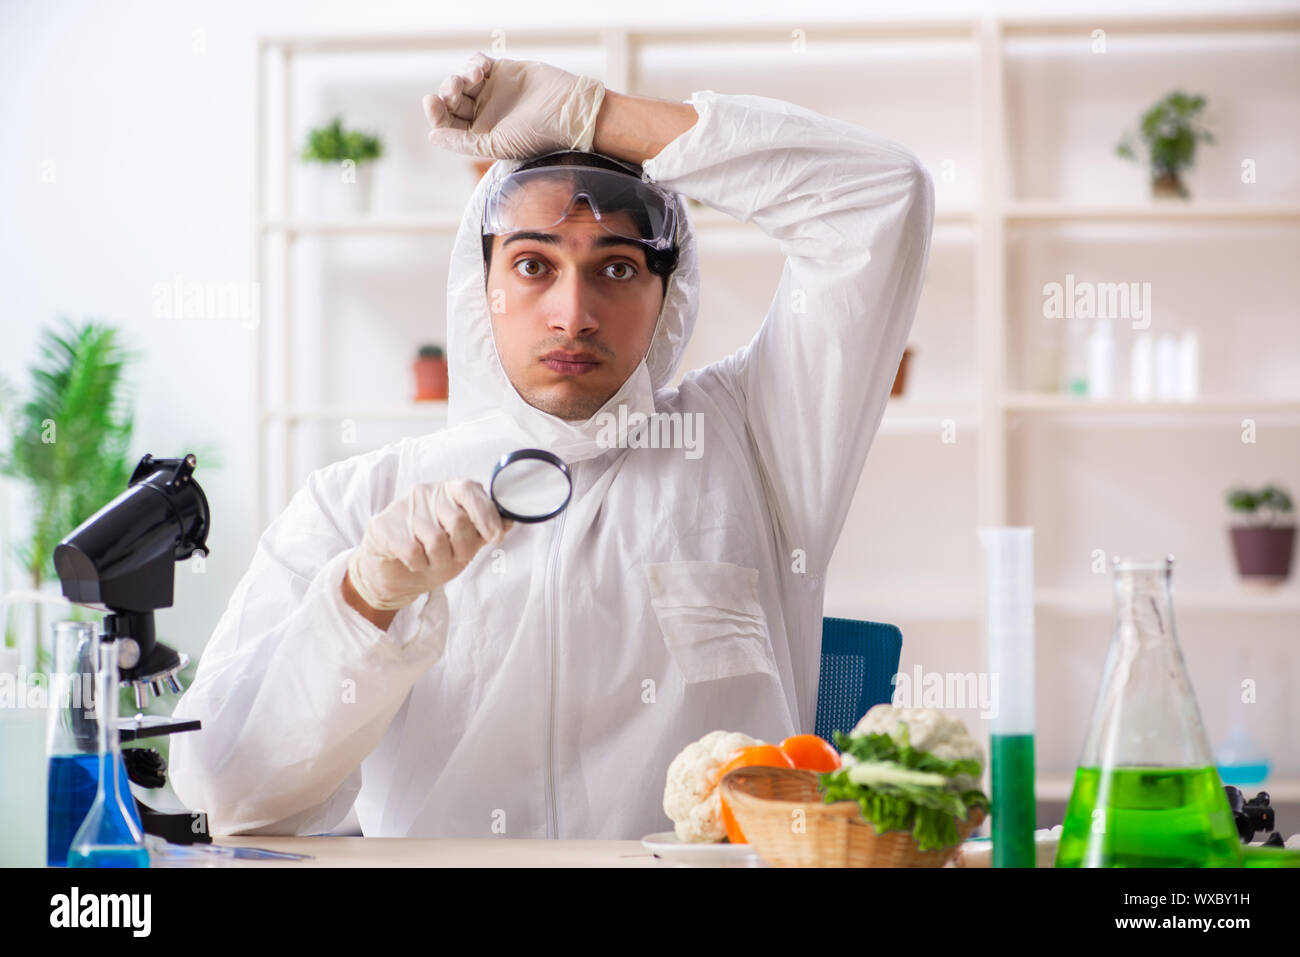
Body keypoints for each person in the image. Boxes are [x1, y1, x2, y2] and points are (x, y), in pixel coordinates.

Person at [169, 53, 934, 839]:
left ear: (668, 296)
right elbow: (225, 795)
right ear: (483, 284)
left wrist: (591, 114)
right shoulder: (357, 502)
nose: (574, 313)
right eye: (534, 265)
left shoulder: (755, 439)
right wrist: (365, 599)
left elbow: (878, 198)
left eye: (617, 267)